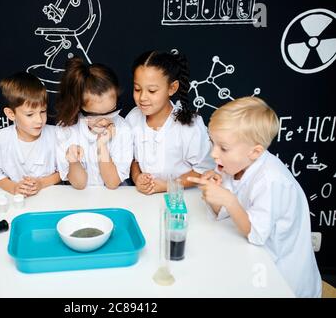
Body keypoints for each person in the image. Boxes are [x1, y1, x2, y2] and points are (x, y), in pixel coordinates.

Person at [187, 97, 321, 297]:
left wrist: (228, 200)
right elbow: (224, 214)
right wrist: (213, 194)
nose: (214, 154)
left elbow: (256, 234)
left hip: (284, 279)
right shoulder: (234, 163)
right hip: (253, 261)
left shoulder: (270, 181)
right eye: (212, 142)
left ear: (255, 152)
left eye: (223, 147)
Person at [126, 49, 214, 195]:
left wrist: (168, 185)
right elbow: (133, 158)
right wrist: (137, 177)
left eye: (152, 91)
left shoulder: (189, 125)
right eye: (137, 89)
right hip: (145, 199)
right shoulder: (133, 118)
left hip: (184, 198)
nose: (142, 97)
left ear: (172, 88)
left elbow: (204, 170)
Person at [55, 57, 133, 189]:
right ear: (79, 106)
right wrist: (73, 162)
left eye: (111, 111)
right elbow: (79, 185)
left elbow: (112, 183)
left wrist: (102, 145)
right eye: (95, 115)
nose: (103, 121)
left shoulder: (123, 129)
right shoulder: (66, 130)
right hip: (79, 198)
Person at [0, 72, 60, 196]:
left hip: (50, 198)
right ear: (11, 114)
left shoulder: (55, 135)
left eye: (43, 111)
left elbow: (64, 171)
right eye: (30, 114)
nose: (39, 120)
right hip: (15, 201)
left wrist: (41, 183)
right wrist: (14, 187)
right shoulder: (1, 138)